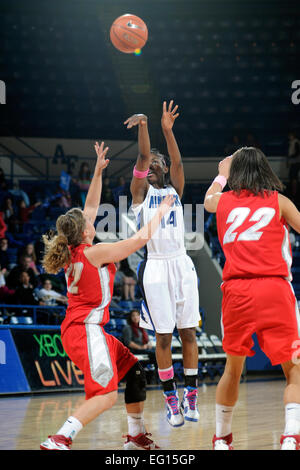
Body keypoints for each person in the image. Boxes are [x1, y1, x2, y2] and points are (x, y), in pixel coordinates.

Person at [40, 141, 175, 451]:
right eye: (90, 222)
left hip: (82, 330)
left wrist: (98, 172)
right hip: (86, 331)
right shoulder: (95, 252)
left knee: (134, 371)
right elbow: (138, 240)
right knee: (105, 395)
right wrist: (162, 210)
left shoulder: (76, 248)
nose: (93, 219)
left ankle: (135, 436)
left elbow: (88, 206)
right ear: (85, 231)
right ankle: (60, 438)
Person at [204, 146, 300, 450]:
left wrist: (220, 175)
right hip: (274, 289)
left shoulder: (222, 202)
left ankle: (221, 438)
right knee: (294, 368)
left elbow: (206, 201)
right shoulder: (279, 201)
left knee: (232, 369)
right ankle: (290, 437)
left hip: (237, 292)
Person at [125, 101, 200, 427]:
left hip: (181, 265)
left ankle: (191, 395)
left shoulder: (176, 189)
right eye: (150, 162)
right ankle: (170, 398)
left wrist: (168, 131)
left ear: (166, 169)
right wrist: (144, 124)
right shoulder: (139, 194)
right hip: (155, 267)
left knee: (189, 333)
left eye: (159, 162)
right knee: (164, 338)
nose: (153, 165)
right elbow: (141, 158)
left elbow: (179, 162)